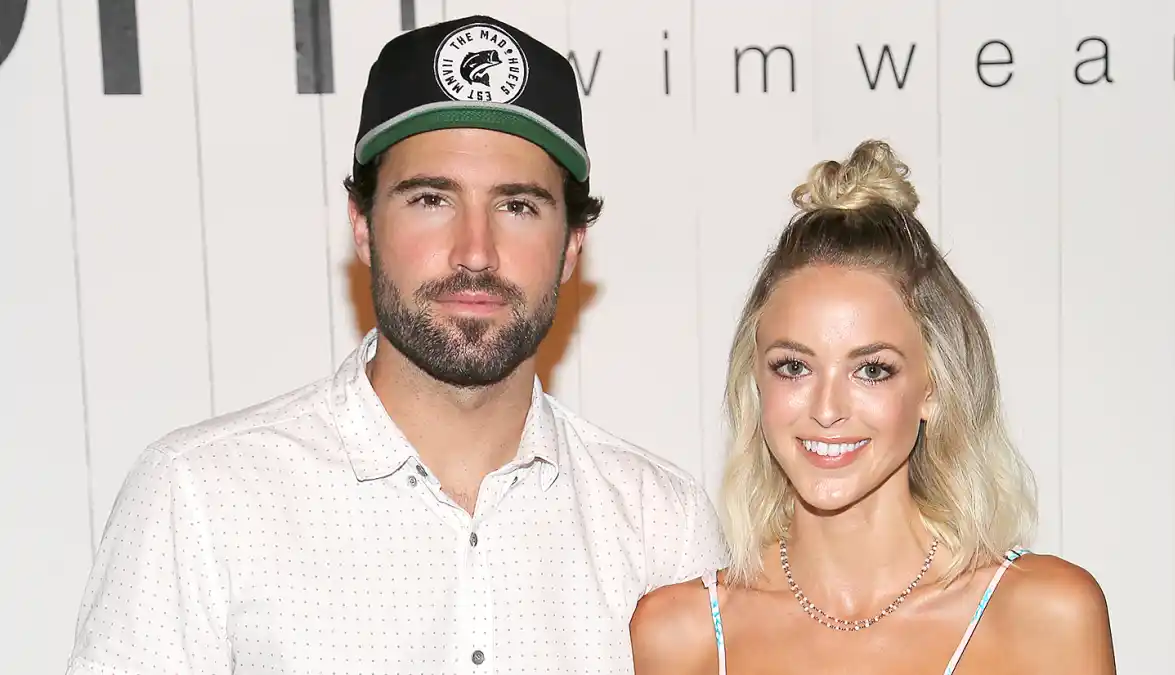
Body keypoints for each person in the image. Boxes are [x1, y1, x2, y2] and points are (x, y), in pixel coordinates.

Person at [65, 14, 725, 675]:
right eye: (432, 199)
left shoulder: (661, 522)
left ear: (572, 244)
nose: (475, 252)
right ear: (362, 225)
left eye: (517, 205)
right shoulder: (200, 496)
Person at [629, 140, 1116, 674]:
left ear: (934, 387)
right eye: (793, 366)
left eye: (872, 370)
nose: (828, 408)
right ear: (756, 384)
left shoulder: (1044, 615)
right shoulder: (679, 634)